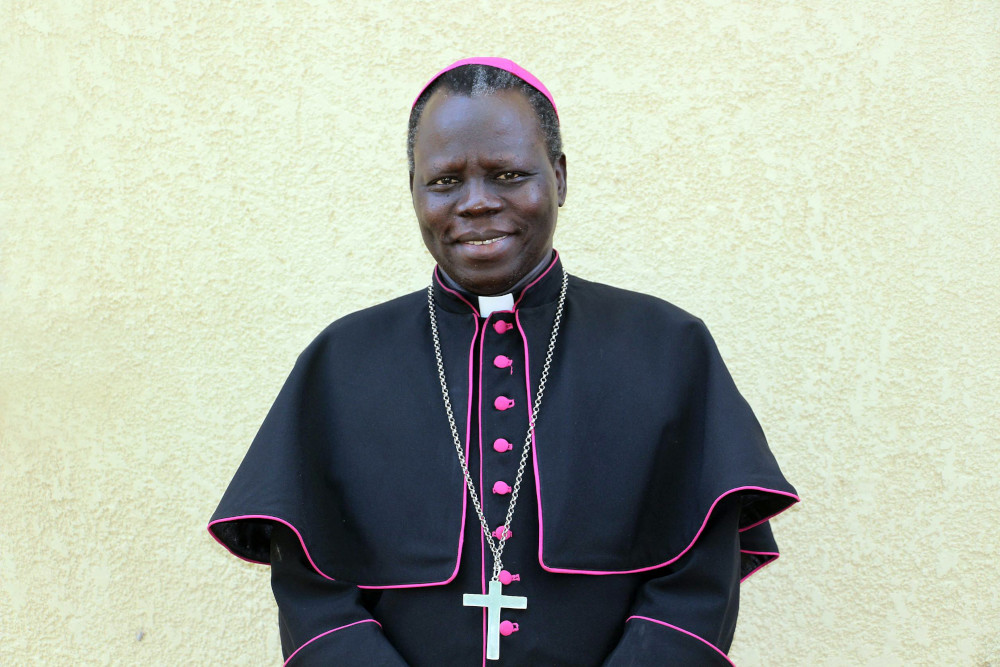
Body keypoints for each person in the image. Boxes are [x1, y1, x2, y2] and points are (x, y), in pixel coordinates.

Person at [209, 57, 798, 666]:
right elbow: (313, 593)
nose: (476, 203)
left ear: (560, 179)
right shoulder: (341, 363)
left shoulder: (668, 349)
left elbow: (698, 585)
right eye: (444, 182)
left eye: (508, 174)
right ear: (413, 189)